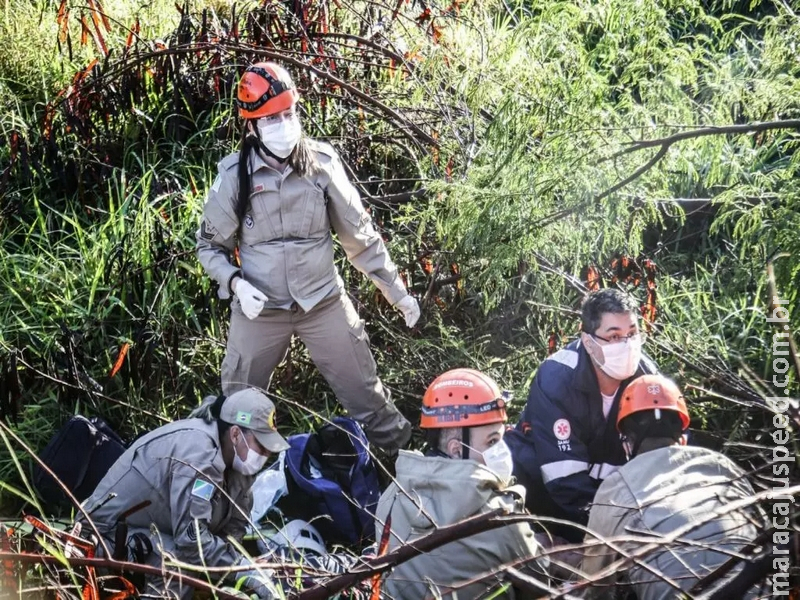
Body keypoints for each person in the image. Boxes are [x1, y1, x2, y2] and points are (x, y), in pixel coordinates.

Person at [196, 61, 418, 453]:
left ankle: (405, 463)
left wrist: (397, 292)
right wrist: (235, 283)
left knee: (367, 396)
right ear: (251, 126)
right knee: (234, 408)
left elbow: (360, 237)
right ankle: (225, 481)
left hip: (322, 302)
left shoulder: (322, 165)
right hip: (259, 308)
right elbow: (208, 248)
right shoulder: (234, 177)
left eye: (289, 113)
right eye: (271, 118)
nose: (284, 124)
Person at [80, 389, 289, 599]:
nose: (266, 454)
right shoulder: (199, 457)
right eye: (261, 446)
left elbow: (233, 531)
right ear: (235, 434)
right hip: (104, 537)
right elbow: (191, 541)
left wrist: (243, 564)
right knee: (176, 565)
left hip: (153, 533)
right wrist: (242, 568)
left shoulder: (237, 467)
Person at [581, 375, 765, 598]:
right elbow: (768, 537)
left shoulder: (616, 486)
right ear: (682, 433)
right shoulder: (722, 466)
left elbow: (593, 586)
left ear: (627, 441)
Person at [374, 368, 544, 599]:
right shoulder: (500, 516)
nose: (502, 450)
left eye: (502, 438)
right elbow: (542, 581)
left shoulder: (390, 497)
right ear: (456, 449)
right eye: (492, 441)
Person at [506, 288, 658, 540]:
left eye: (632, 333)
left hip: (612, 503)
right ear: (588, 342)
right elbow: (564, 481)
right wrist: (611, 532)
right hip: (543, 495)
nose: (627, 345)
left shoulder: (647, 378)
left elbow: (660, 460)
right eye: (614, 336)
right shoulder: (557, 379)